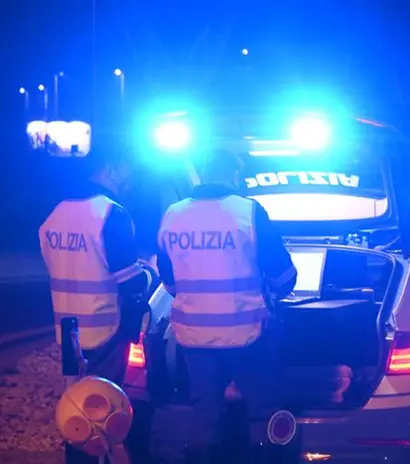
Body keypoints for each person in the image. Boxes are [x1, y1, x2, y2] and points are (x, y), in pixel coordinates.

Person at [156, 150, 297, 463]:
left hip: (193, 335)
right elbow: (284, 276)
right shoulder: (248, 212)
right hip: (246, 335)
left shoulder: (173, 215)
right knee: (262, 410)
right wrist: (273, 291)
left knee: (205, 410)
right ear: (235, 177)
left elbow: (169, 280)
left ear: (204, 173)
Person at [39, 148, 153, 463]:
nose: (131, 182)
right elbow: (130, 282)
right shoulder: (110, 214)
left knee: (76, 410)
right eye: (129, 172)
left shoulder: (55, 215)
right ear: (112, 169)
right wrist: (149, 271)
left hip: (68, 331)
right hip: (105, 329)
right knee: (105, 412)